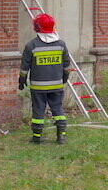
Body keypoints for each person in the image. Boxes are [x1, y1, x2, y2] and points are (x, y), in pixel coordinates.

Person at [18, 13, 71, 144]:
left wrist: (22, 80)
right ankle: (61, 136)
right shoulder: (61, 44)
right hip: (57, 85)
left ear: (37, 27)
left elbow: (24, 67)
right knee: (58, 109)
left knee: (38, 110)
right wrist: (64, 78)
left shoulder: (31, 46)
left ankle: (37, 137)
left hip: (38, 86)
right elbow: (67, 66)